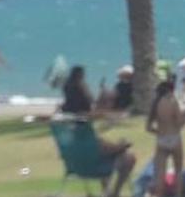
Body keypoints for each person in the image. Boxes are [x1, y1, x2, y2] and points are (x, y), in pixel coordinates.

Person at [59, 66, 138, 196]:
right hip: (93, 167)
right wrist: (122, 146)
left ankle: (107, 192)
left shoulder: (67, 126)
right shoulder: (84, 129)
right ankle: (114, 193)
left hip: (75, 165)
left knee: (108, 154)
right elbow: (103, 148)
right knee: (129, 158)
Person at [146, 77, 185, 197]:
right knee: (178, 170)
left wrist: (159, 132)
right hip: (175, 138)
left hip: (161, 139)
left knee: (159, 174)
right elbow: (179, 123)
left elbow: (148, 128)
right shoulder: (172, 102)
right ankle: (177, 194)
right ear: (171, 90)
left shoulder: (155, 104)